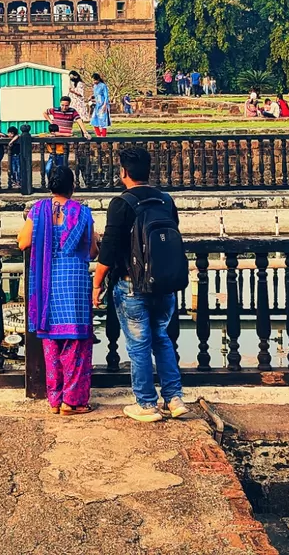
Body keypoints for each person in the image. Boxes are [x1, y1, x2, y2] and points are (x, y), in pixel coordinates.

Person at [93, 145, 184, 422]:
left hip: (131, 284)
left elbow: (108, 250)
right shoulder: (165, 200)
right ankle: (174, 398)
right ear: (148, 170)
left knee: (139, 344)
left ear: (124, 173)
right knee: (162, 339)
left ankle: (146, 403)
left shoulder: (122, 203)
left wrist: (97, 285)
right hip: (164, 283)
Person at [19, 165, 97, 415]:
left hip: (46, 283)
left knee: (51, 342)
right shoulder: (83, 213)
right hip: (74, 284)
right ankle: (72, 401)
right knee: (75, 343)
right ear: (72, 187)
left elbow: (23, 241)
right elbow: (93, 251)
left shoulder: (38, 210)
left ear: (50, 186)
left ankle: (54, 400)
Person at [67, 72, 91, 137]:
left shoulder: (80, 84)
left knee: (79, 119)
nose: (71, 78)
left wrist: (73, 91)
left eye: (72, 77)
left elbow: (81, 94)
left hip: (78, 104)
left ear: (76, 76)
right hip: (73, 103)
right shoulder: (73, 84)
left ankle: (84, 133)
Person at [90, 72, 111, 138]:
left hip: (103, 105)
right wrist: (92, 97)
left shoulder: (103, 86)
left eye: (95, 80)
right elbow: (96, 95)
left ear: (98, 79)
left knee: (103, 120)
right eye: (93, 80)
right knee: (94, 120)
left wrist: (105, 105)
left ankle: (103, 136)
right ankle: (98, 134)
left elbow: (106, 96)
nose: (94, 81)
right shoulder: (95, 86)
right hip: (97, 105)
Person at [6, 126, 23, 190]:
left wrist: (11, 142)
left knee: (18, 169)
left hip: (17, 155)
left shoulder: (17, 138)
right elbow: (3, 135)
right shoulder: (8, 137)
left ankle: (18, 182)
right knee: (12, 169)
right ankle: (14, 181)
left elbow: (17, 136)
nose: (9, 135)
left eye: (11, 133)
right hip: (12, 156)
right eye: (9, 133)